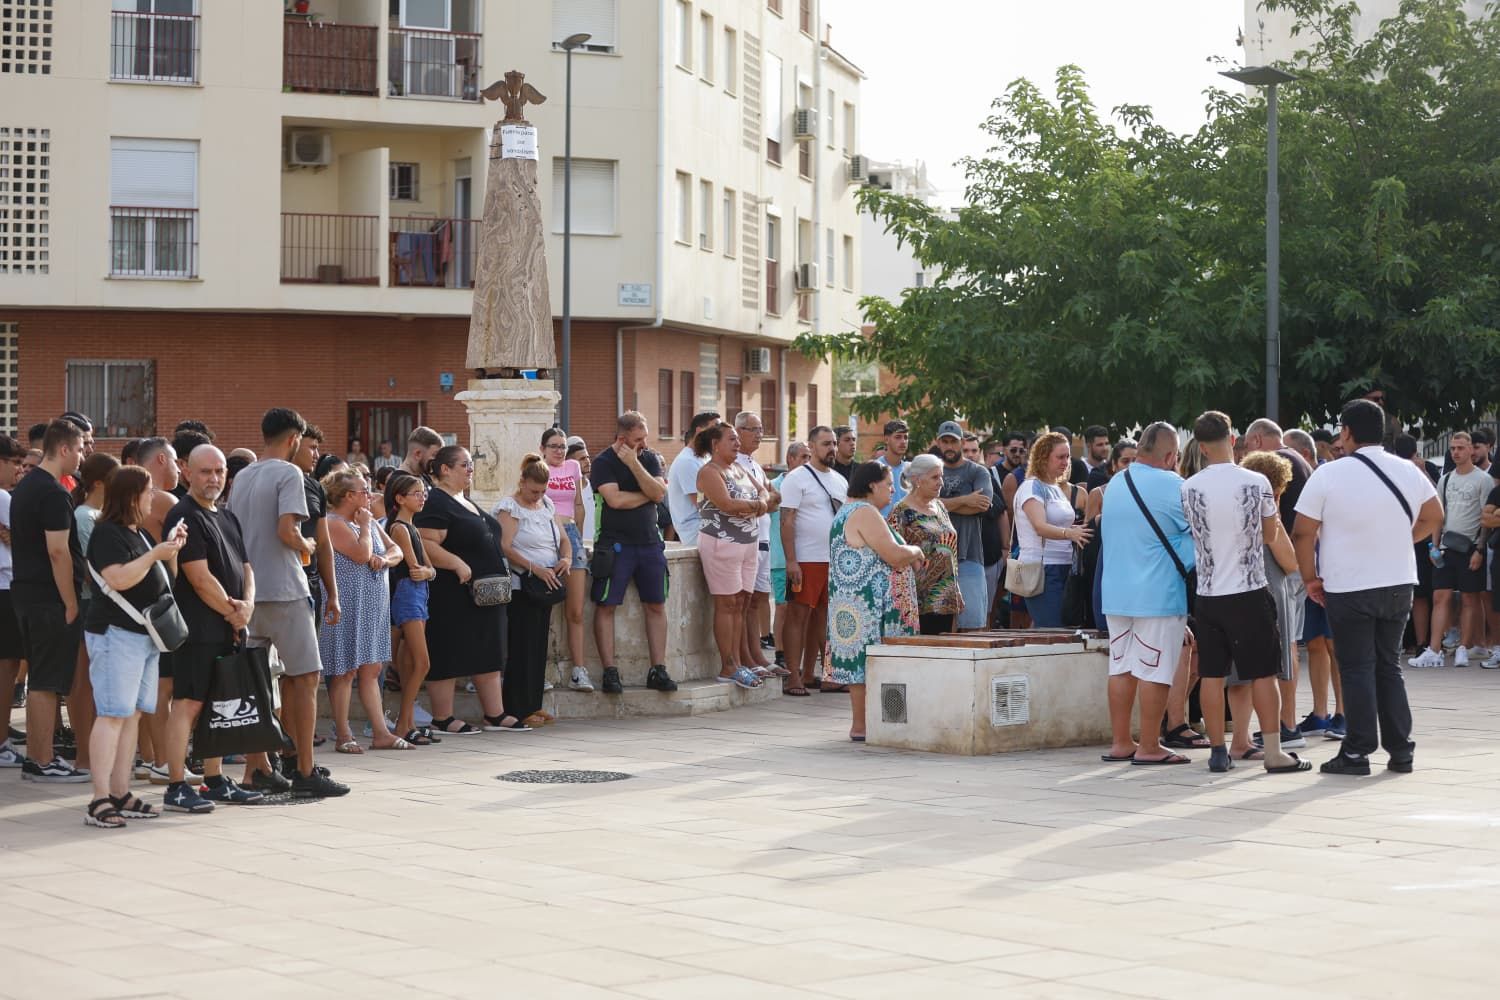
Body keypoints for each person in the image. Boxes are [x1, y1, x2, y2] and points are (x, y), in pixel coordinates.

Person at [1296, 399, 1441, 775]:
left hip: (1349, 584)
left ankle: (1358, 750)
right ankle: (1401, 749)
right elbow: (1434, 515)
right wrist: (1401, 540)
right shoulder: (1407, 470)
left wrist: (1310, 576)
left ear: (1345, 431)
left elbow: (1302, 530)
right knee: (1389, 664)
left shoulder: (1328, 475)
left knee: (1357, 666)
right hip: (1398, 580)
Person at [226, 408, 347, 798]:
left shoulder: (243, 474)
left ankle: (257, 768)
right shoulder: (289, 473)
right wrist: (306, 544)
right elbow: (287, 529)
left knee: (256, 682)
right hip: (284, 587)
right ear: (294, 439)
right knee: (306, 677)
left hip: (249, 590)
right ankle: (305, 770)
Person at [1182, 411, 1309, 775]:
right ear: (1233, 439)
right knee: (1263, 673)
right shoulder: (1256, 483)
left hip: (1208, 592)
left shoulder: (1189, 487)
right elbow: (1270, 534)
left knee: (1212, 674)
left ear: (1201, 447)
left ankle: (1219, 751)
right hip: (1250, 588)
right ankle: (1272, 751)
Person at [157, 445, 267, 809]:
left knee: (220, 705)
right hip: (198, 628)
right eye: (206, 471)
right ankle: (175, 785)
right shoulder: (182, 514)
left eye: (219, 471)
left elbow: (246, 567)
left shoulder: (227, 516)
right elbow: (199, 578)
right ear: (187, 472)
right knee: (188, 704)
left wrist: (247, 605)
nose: (214, 478)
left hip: (229, 626)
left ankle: (215, 779)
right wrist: (234, 613)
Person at [82, 466, 185, 826]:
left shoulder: (135, 533)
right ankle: (98, 800)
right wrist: (156, 554)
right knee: (112, 714)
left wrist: (170, 550)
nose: (153, 496)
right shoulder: (107, 534)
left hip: (142, 636)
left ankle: (120, 791)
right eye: (148, 490)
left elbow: (159, 578)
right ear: (130, 495)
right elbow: (119, 578)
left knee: (132, 714)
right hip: (115, 634)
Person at [1100, 422, 1201, 766]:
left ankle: (1120, 743)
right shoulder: (1176, 485)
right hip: (1157, 594)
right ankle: (1149, 746)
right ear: (1172, 456)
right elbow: (1202, 532)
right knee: (1156, 670)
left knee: (1122, 667)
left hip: (1116, 594)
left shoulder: (1115, 483)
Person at [416, 445, 525, 732]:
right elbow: (425, 541)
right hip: (453, 593)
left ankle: (495, 714)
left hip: (486, 595)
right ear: (444, 469)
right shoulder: (436, 501)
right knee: (448, 651)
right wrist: (455, 563)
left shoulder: (465, 499)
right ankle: (443, 717)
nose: (471, 469)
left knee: (489, 652)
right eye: (464, 464)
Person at [12, 418, 90, 782]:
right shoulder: (54, 493)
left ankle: (39, 758)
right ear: (63, 449)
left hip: (27, 594)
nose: (82, 454)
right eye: (79, 448)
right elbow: (59, 553)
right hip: (48, 599)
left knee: (43, 680)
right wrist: (71, 602)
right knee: (45, 682)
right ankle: (40, 761)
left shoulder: (27, 486)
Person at [828, 462, 923, 741]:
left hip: (855, 605)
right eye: (888, 484)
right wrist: (916, 550)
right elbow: (894, 554)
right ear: (871, 485)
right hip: (869, 607)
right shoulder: (865, 512)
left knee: (864, 664)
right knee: (873, 664)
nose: (893, 490)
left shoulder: (847, 511)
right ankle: (872, 724)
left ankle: (866, 724)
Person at [320, 469, 407, 753]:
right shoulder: (334, 523)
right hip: (347, 604)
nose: (369, 496)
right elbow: (359, 554)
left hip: (373, 604)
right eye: (363, 491)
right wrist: (367, 528)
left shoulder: (366, 519)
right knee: (346, 669)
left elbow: (396, 551)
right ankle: (343, 733)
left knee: (372, 667)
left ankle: (381, 732)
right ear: (348, 496)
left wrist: (384, 559)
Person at [590, 412, 677, 695]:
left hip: (650, 543)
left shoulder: (648, 457)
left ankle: (658, 669)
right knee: (606, 606)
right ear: (622, 438)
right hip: (615, 544)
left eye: (645, 438)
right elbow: (614, 500)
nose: (644, 443)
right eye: (638, 440)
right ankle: (610, 671)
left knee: (656, 605)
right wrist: (649, 493)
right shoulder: (603, 463)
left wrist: (634, 464)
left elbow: (659, 493)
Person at [1237, 451, 1309, 757]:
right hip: (1271, 593)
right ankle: (1283, 728)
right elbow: (1291, 563)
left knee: (1238, 673)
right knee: (1278, 662)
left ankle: (1239, 738)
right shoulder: (1270, 519)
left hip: (1235, 592)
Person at [495, 453, 572, 727]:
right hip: (523, 584)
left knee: (539, 647)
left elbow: (563, 539)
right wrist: (534, 568)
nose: (537, 496)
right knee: (522, 647)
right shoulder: (511, 507)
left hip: (545, 584)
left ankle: (534, 704)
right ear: (522, 482)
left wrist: (566, 559)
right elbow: (505, 546)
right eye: (533, 490)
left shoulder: (547, 504)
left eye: (541, 491)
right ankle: (517, 707)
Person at [692, 424, 769, 690]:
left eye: (738, 439)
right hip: (721, 544)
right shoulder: (709, 472)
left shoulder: (740, 469)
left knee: (742, 603)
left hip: (748, 544)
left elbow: (766, 491)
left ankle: (739, 662)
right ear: (715, 444)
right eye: (732, 439)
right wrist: (758, 506)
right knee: (727, 604)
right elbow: (726, 504)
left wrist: (758, 503)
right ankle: (728, 665)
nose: (738, 444)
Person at [1410, 431, 1488, 668]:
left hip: (1470, 546)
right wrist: (1434, 546)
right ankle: (1434, 649)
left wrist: (1480, 550)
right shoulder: (1446, 479)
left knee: (1468, 598)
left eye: (1461, 448)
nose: (1456, 452)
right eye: (1453, 448)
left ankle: (1463, 647)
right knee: (1439, 596)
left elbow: (1486, 518)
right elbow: (1438, 516)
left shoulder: (1482, 480)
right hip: (1446, 547)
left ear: (1470, 450)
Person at [780, 426, 849, 692]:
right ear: (811, 446)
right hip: (806, 558)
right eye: (825, 444)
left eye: (833, 443)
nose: (831, 448)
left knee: (823, 618)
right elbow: (786, 521)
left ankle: (816, 674)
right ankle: (793, 676)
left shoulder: (839, 480)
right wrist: (791, 560)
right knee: (797, 616)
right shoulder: (797, 478)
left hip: (833, 561)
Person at [70, 453, 118, 773]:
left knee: (95, 682)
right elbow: (92, 570)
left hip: (100, 605)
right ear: (99, 482)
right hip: (90, 604)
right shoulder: (86, 516)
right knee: (84, 682)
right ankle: (84, 755)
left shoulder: (99, 514)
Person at [1013, 431, 1091, 628]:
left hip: (1064, 566)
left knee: (1063, 632)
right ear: (1043, 457)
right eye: (1060, 457)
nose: (1066, 462)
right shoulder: (1032, 487)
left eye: (1067, 457)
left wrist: (1075, 530)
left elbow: (1059, 524)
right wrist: (1070, 533)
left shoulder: (1055, 487)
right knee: (1053, 631)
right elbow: (1039, 526)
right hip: (1042, 568)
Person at [383, 472, 437, 743]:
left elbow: (430, 570)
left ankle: (408, 722)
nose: (422, 497)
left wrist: (428, 572)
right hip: (408, 595)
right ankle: (403, 723)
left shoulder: (412, 527)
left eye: (423, 492)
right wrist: (427, 572)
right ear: (400, 498)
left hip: (419, 594)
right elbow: (418, 569)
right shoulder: (400, 528)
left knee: (410, 663)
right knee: (421, 662)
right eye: (417, 493)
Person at [542, 427, 593, 692]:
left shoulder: (573, 466)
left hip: (571, 534)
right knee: (544, 609)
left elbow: (578, 505)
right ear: (543, 449)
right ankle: (540, 669)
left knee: (575, 610)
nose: (559, 451)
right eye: (553, 446)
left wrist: (579, 540)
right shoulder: (538, 469)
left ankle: (578, 670)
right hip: (546, 535)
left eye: (562, 446)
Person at [888, 454, 961, 635]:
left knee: (945, 655)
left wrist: (955, 588)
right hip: (918, 598)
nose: (941, 482)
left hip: (946, 596)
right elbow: (893, 554)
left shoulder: (940, 507)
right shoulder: (901, 512)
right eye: (935, 477)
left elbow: (949, 549)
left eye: (941, 476)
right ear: (917, 480)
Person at [732, 412, 780, 673]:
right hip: (747, 539)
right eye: (754, 429)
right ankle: (744, 657)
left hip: (762, 537)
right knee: (744, 601)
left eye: (762, 429)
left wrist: (764, 501)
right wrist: (763, 501)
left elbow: (774, 498)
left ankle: (756, 654)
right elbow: (759, 501)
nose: (760, 434)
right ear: (739, 431)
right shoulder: (734, 464)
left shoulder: (755, 465)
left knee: (758, 599)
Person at [934, 421, 993, 630]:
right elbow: (924, 505)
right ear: (938, 443)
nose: (949, 446)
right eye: (945, 442)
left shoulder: (978, 472)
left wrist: (941, 505)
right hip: (935, 559)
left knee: (973, 623)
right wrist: (965, 500)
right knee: (938, 628)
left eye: (954, 442)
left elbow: (982, 505)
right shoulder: (931, 471)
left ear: (962, 443)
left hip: (970, 554)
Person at [769, 442, 810, 670]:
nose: (806, 461)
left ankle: (798, 655)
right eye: (803, 457)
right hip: (779, 557)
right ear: (790, 459)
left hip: (805, 558)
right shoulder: (775, 486)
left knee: (802, 609)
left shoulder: (810, 486)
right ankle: (780, 652)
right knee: (783, 606)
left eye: (809, 457)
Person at [0, 436, 25, 769]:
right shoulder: (3, 498)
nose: (19, 470)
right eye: (14, 463)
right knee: (6, 669)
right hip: (5, 588)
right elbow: (19, 540)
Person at [665, 411, 721, 546]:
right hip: (696, 533)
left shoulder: (704, 458)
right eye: (716, 428)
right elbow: (702, 503)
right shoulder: (687, 461)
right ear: (699, 430)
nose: (720, 434)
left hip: (710, 529)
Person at [872, 419, 911, 516]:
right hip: (881, 527)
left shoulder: (911, 470)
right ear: (886, 439)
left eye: (905, 437)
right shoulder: (874, 469)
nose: (903, 441)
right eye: (898, 437)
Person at [567, 437, 596, 542]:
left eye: (587, 457)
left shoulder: (597, 488)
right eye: (582, 459)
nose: (588, 461)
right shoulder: (566, 493)